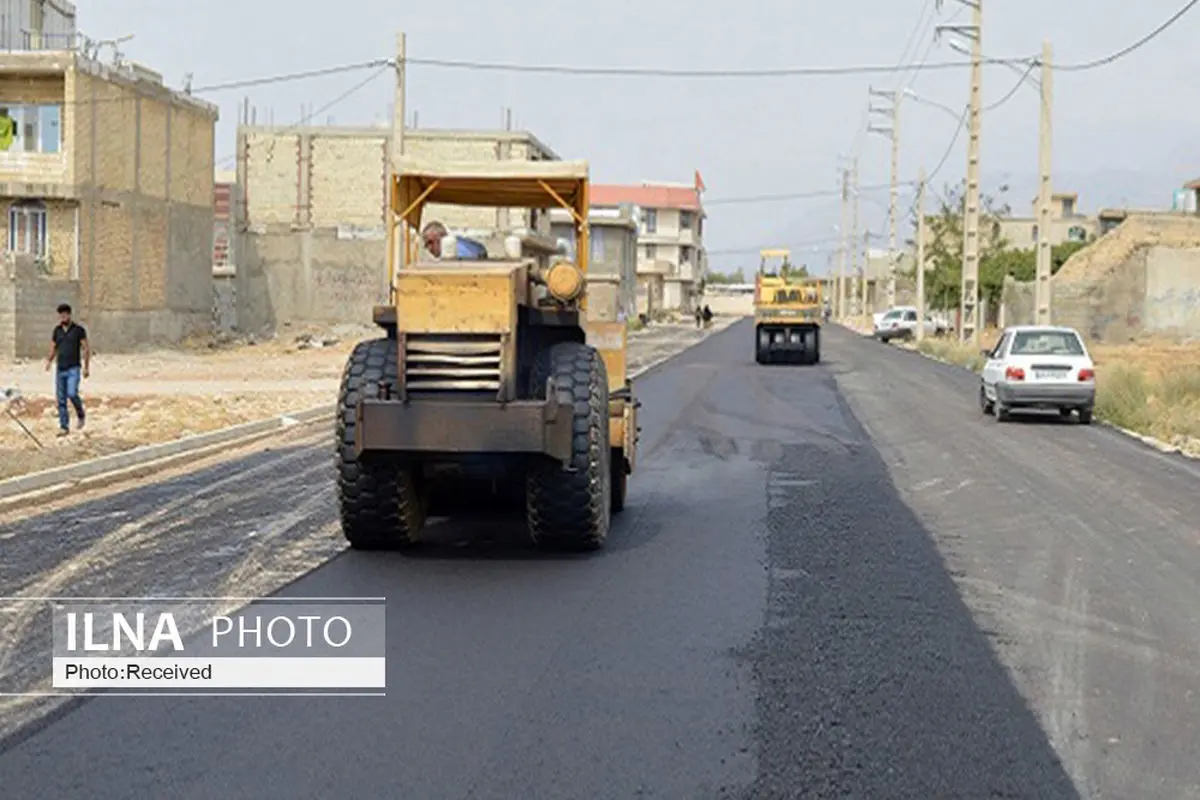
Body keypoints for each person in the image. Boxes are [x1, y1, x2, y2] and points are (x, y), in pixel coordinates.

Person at [45, 302, 88, 436]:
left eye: (65, 314)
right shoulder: (56, 331)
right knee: (61, 399)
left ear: (69, 315)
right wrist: (49, 361)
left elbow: (86, 349)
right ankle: (64, 427)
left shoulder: (78, 330)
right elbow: (53, 347)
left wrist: (86, 367)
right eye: (60, 315)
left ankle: (80, 413)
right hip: (60, 369)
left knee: (72, 393)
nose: (63, 317)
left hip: (73, 368)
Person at [421, 220, 488, 260]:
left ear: (442, 237)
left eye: (430, 242)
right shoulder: (459, 243)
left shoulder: (458, 252)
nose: (429, 248)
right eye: (426, 245)